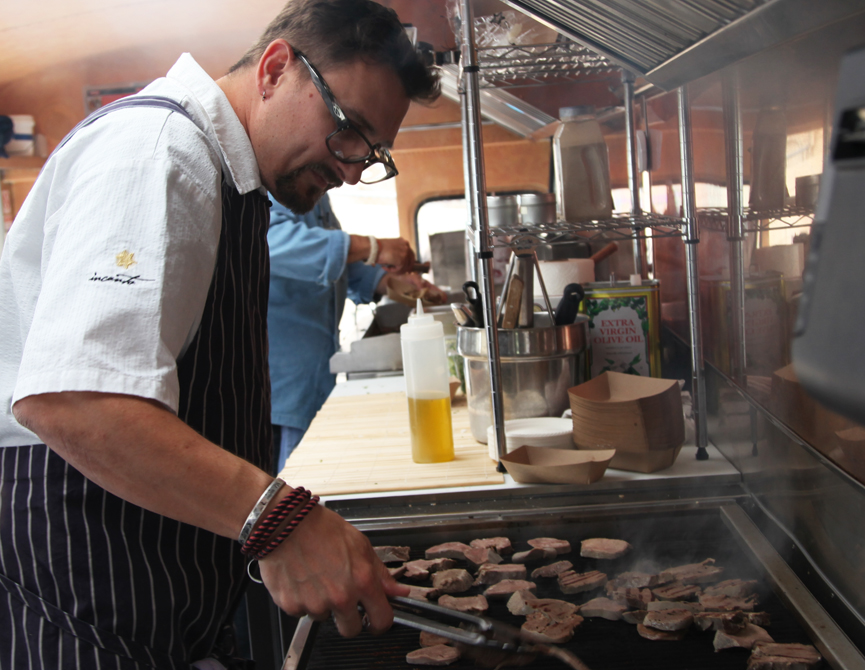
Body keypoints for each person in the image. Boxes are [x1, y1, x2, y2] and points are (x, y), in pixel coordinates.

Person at [0, 1, 440, 668]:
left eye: (372, 152)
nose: (353, 168)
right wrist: (277, 520)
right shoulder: (157, 153)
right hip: (85, 551)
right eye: (347, 131)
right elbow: (73, 399)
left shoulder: (234, 179)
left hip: (154, 564)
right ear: (274, 70)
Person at [268, 192, 446, 471]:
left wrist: (392, 284)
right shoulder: (275, 187)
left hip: (314, 374)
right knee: (294, 486)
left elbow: (338, 266)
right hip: (283, 383)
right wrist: (372, 247)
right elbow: (273, 243)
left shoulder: (319, 198)